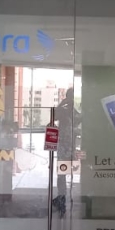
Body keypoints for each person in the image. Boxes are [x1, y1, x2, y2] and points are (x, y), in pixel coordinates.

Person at [52, 87, 80, 217]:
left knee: (67, 173)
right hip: (64, 147)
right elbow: (53, 116)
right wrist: (62, 103)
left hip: (70, 147)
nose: (71, 100)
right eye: (70, 97)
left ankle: (63, 197)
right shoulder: (63, 111)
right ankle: (61, 197)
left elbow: (80, 120)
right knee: (62, 173)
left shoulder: (73, 111)